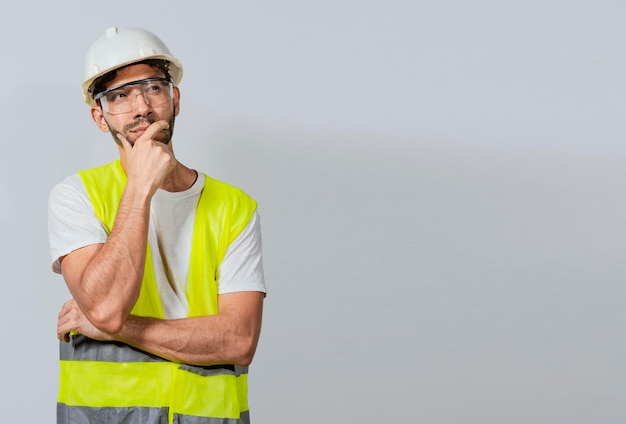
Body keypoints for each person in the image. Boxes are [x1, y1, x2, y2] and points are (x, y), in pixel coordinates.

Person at [47, 26, 266, 424]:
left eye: (152, 87)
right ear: (100, 117)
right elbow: (107, 307)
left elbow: (239, 340)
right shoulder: (76, 196)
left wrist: (116, 329)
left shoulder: (235, 207)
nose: (141, 107)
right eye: (119, 96)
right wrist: (141, 187)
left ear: (174, 98)